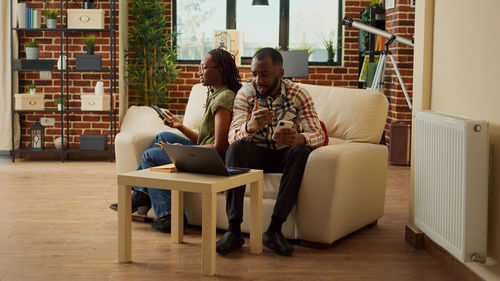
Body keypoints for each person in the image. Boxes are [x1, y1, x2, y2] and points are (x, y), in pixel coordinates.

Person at [109, 48, 242, 233]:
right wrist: (179, 126)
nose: (199, 72)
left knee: (150, 156)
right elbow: (205, 138)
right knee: (162, 136)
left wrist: (183, 151)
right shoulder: (217, 94)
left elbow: (220, 146)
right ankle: (142, 194)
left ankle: (169, 216)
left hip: (213, 159)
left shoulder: (225, 98)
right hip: (206, 150)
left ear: (218, 71)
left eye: (203, 68)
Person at [216, 47, 325, 256]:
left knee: (301, 151)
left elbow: (317, 134)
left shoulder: (298, 94)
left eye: (264, 74)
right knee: (236, 148)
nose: (258, 80)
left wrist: (300, 138)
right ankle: (234, 230)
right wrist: (250, 127)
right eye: (254, 74)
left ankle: (274, 230)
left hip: (284, 155)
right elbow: (231, 137)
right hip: (254, 153)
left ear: (280, 74)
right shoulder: (245, 93)